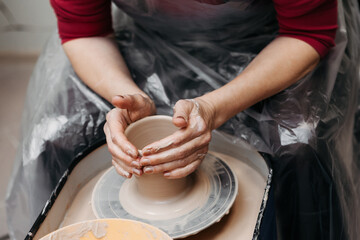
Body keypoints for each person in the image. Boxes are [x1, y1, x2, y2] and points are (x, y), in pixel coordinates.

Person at [6, 0, 360, 239]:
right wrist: (127, 97)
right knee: (58, 135)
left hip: (273, 38)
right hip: (147, 34)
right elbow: (86, 31)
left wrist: (213, 108)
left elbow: (306, 31)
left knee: (299, 146)